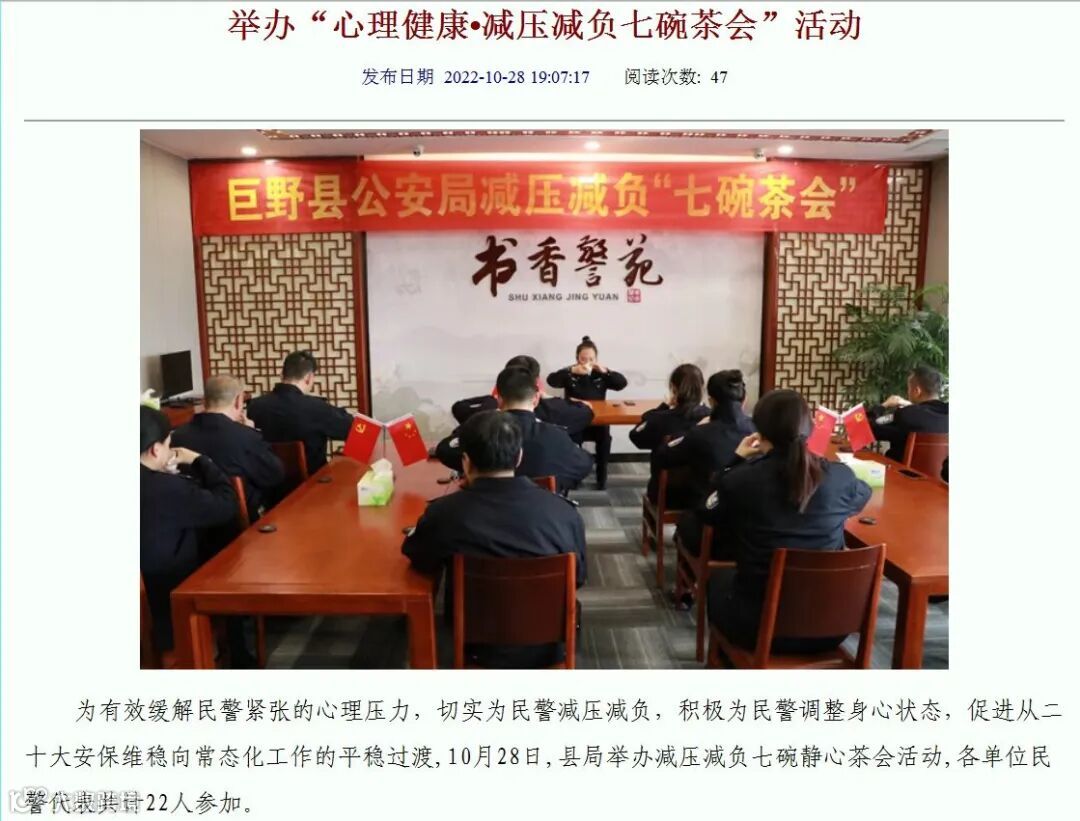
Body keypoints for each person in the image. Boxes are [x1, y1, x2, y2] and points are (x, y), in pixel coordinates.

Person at [677, 390, 872, 655]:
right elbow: (862, 495)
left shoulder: (742, 480)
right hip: (832, 628)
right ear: (810, 428)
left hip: (759, 628)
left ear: (759, 431)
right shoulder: (840, 477)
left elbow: (706, 511)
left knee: (719, 579)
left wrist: (734, 461)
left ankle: (726, 661)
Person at [403, 410, 587, 668]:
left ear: (465, 462)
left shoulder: (445, 513)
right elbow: (578, 578)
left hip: (476, 648)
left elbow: (419, 558)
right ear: (519, 457)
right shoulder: (564, 513)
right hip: (548, 648)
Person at [140, 405, 236, 653]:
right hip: (168, 612)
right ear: (156, 449)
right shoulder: (166, 489)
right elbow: (226, 505)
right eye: (168, 444)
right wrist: (199, 460)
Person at [435, 367, 593, 493]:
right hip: (542, 515)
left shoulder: (481, 432)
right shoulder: (555, 436)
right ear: (536, 398)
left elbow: (444, 451)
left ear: (499, 400)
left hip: (484, 514)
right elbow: (584, 465)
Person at [171, 375, 285, 521]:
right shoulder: (245, 437)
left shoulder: (177, 436)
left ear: (205, 401)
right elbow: (275, 475)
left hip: (192, 521)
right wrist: (252, 432)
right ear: (238, 401)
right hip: (238, 522)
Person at [650, 369, 755, 510]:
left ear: (711, 401)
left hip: (708, 510)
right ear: (745, 399)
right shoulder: (760, 430)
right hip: (752, 510)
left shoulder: (700, 433)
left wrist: (692, 430)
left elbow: (661, 457)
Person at [246, 350, 354, 473]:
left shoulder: (255, 406)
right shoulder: (317, 408)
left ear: (282, 375)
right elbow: (354, 429)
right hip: (312, 482)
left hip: (267, 481)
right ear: (309, 378)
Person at [547, 336, 628, 489]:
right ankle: (574, 477)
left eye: (591, 359)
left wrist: (606, 372)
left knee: (605, 439)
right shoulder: (570, 373)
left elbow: (621, 383)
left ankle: (601, 477)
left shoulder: (600, 374)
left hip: (598, 420)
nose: (587, 362)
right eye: (583, 359)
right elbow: (552, 381)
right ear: (577, 358)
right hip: (575, 420)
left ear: (596, 359)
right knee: (572, 439)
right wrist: (571, 370)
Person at [450, 354, 594, 437]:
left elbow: (458, 408)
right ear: (537, 382)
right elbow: (586, 412)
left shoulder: (487, 412)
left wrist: (490, 399)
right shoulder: (557, 409)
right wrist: (550, 397)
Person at [868, 364, 949, 462]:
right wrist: (913, 406)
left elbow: (869, 428)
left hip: (900, 471)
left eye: (909, 388)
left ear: (917, 391)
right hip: (938, 472)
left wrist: (884, 405)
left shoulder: (907, 415)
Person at [629, 362, 708, 454]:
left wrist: (663, 407)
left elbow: (636, 436)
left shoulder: (660, 418)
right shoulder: (712, 418)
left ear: (673, 388)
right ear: (703, 387)